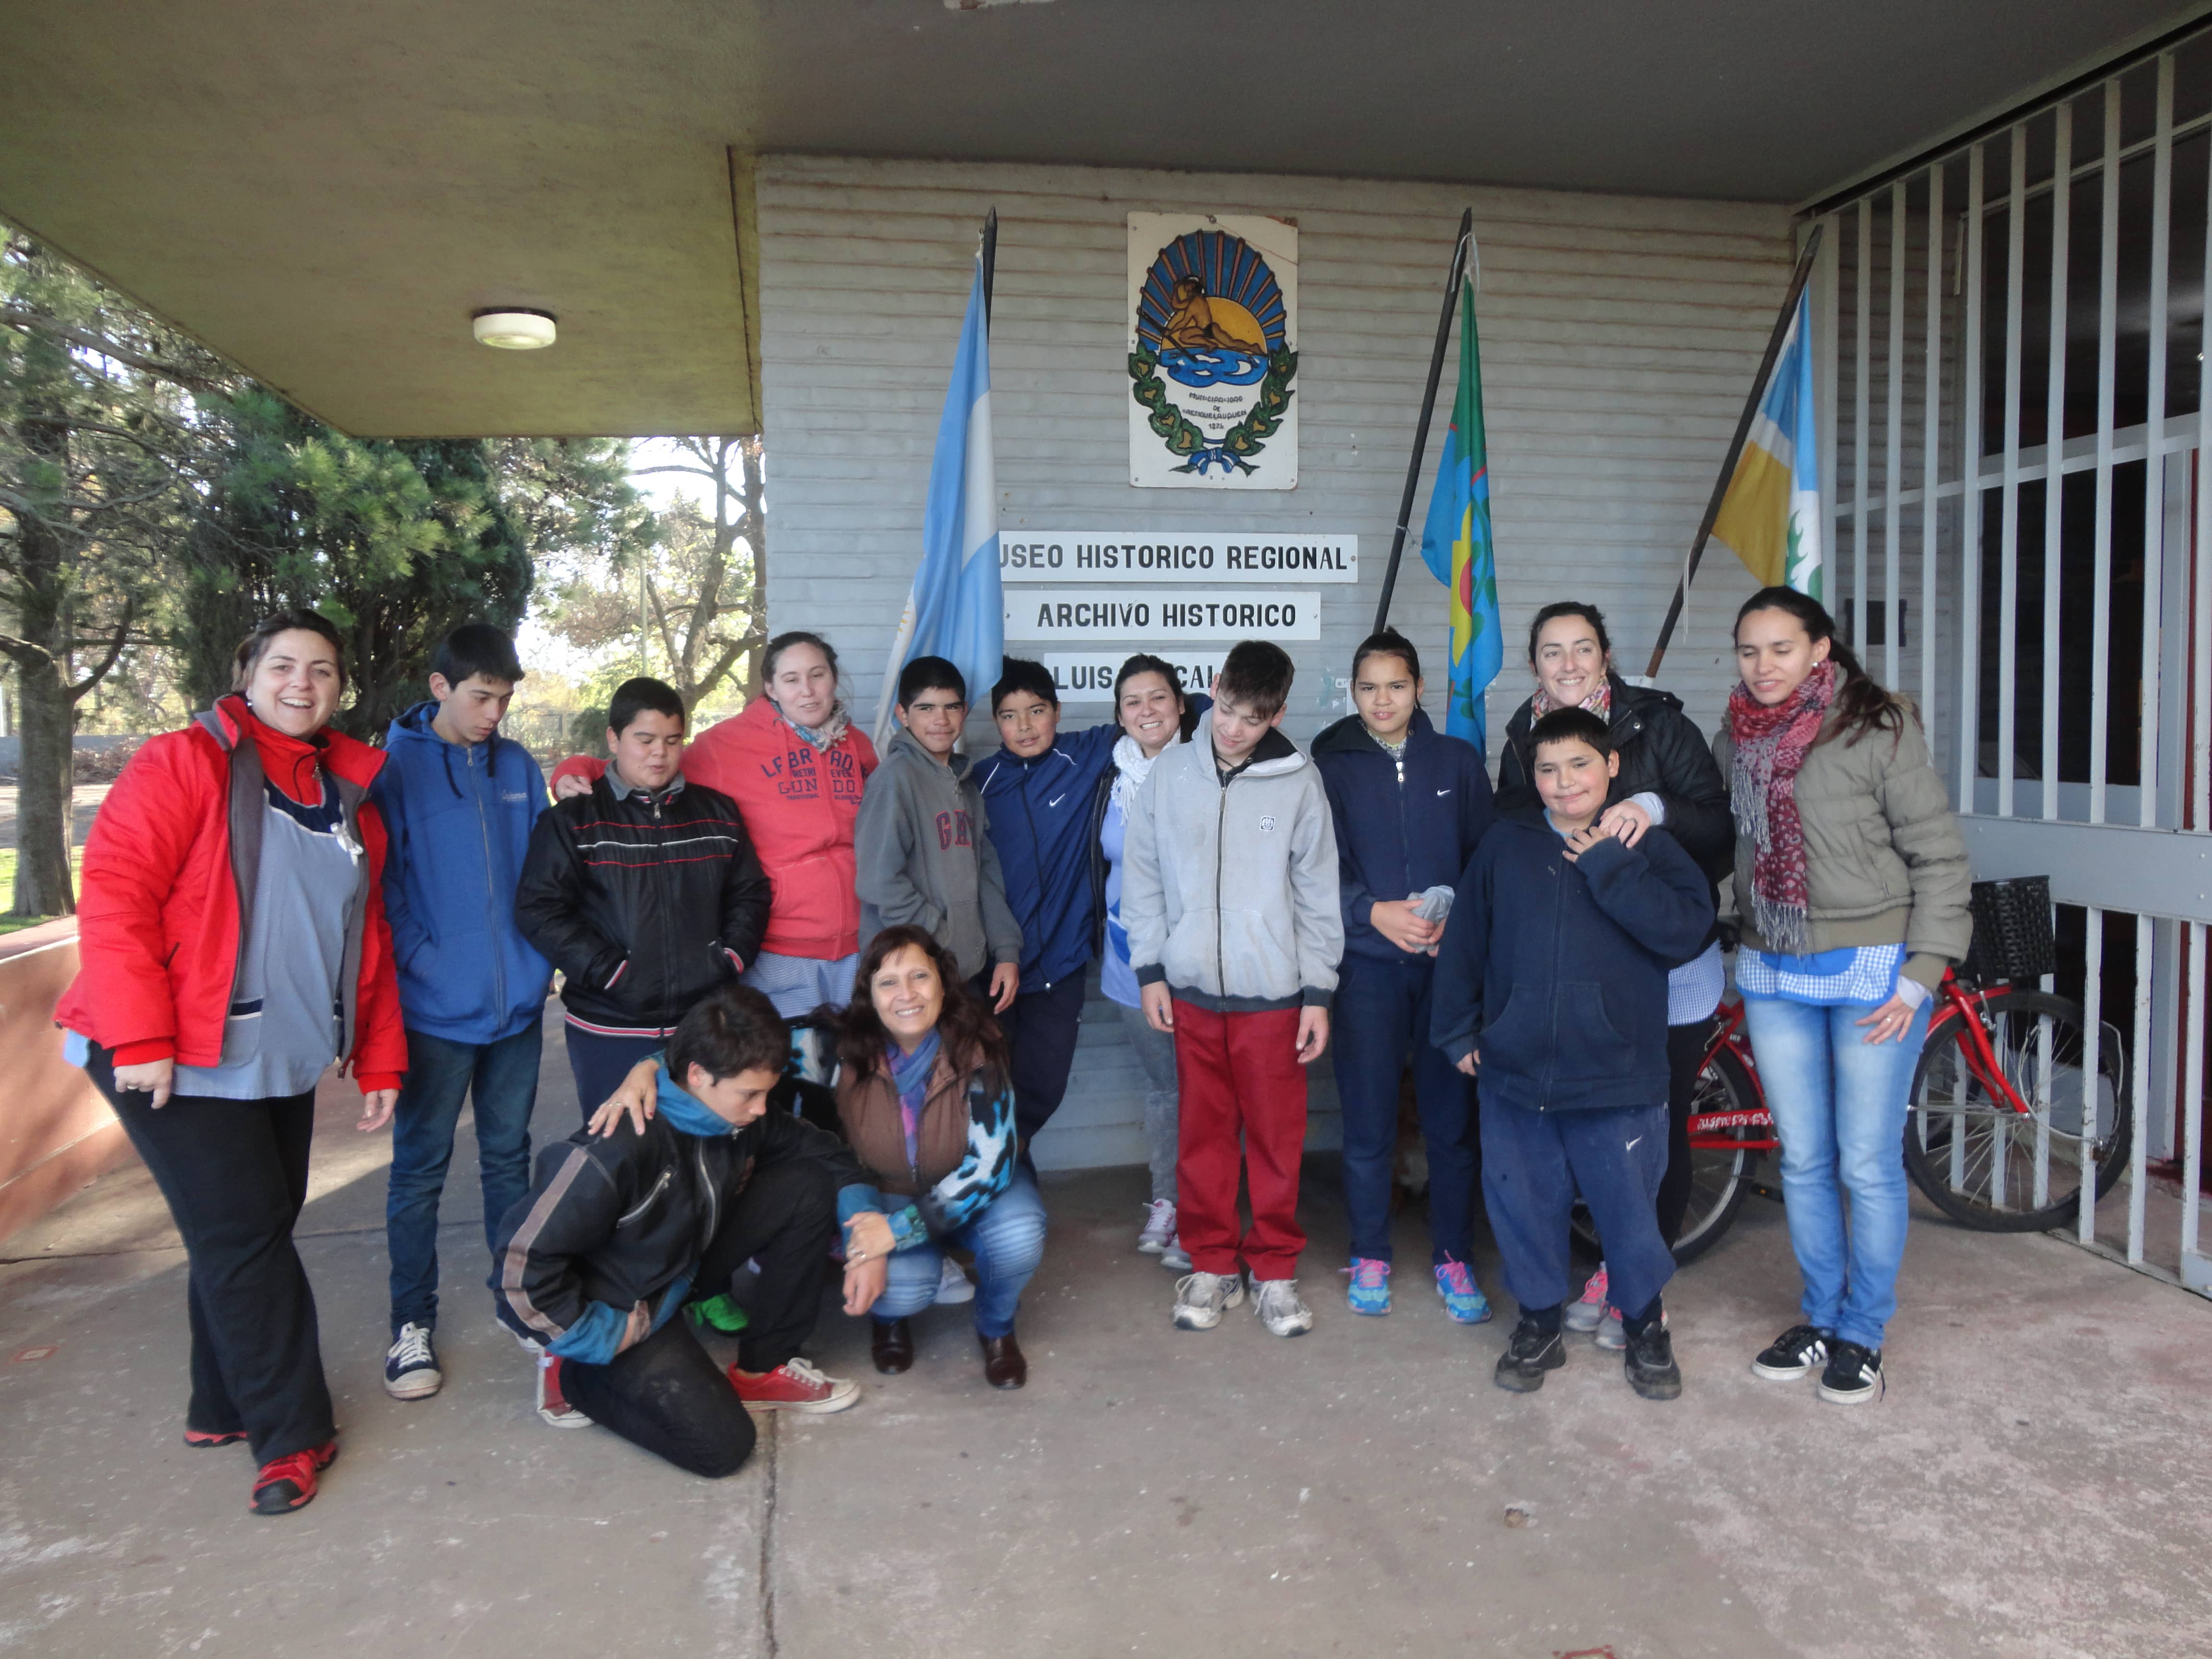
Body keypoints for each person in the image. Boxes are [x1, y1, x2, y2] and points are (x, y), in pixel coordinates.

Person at [54, 610, 407, 1515]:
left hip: (275, 1051)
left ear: (340, 688)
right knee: (247, 1235)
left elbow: (363, 934)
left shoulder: (346, 792)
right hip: (170, 1053)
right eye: (284, 664)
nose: (303, 682)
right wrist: (141, 1040)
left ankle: (219, 1402)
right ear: (246, 671)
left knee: (245, 1228)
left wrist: (378, 1056)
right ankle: (293, 1433)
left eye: (322, 669)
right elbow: (119, 898)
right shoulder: (181, 763)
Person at [1720, 588, 1970, 1407]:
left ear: (1819, 649)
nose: (1763, 666)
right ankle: (1819, 1316)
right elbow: (1728, 843)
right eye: (1749, 650)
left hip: (1871, 970)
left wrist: (1922, 971)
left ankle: (1863, 1331)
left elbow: (1936, 855)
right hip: (1772, 966)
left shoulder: (1876, 726)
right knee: (1802, 1157)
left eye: (1780, 648)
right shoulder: (1735, 734)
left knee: (1864, 1162)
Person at [1430, 708, 1714, 1400]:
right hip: (1515, 1069)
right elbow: (1465, 944)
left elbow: (1685, 930)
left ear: (1612, 765)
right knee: (1524, 1205)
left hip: (1618, 1071)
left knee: (1628, 1211)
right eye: (1548, 769)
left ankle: (1645, 1323)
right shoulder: (1505, 845)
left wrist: (1610, 864)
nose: (1564, 784)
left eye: (1580, 765)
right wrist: (1460, 1033)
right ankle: (1538, 1323)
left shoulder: (1643, 846)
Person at [491, 985, 878, 1475]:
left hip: (683, 1261)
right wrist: (596, 1335)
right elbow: (517, 1268)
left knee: (808, 1183)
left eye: (766, 1093)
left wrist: (868, 1224)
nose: (762, 1108)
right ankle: (575, 1375)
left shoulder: (737, 1114)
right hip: (624, 1306)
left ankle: (764, 1367)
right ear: (697, 1075)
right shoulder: (613, 1147)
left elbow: (827, 1154)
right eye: (751, 1094)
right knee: (721, 1449)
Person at [1496, 601, 1734, 1344]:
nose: (1567, 665)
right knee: (1591, 1125)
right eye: (1551, 651)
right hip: (1579, 966)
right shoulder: (1519, 736)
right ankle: (1605, 1268)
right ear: (1533, 663)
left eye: (1583, 649)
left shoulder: (1659, 725)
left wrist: (1655, 807)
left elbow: (1720, 833)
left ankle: (1636, 1287)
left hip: (1667, 961)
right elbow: (1513, 840)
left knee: (1655, 1128)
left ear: (1605, 655)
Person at [1122, 639, 1343, 1339]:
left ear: (1276, 713)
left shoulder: (1300, 782)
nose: (1232, 727)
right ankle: (1213, 1265)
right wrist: (1150, 969)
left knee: (1277, 1142)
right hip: (1189, 991)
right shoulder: (1170, 775)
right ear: (1211, 688)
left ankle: (1274, 1271)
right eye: (1225, 708)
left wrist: (1317, 992)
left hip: (1273, 999)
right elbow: (1144, 879)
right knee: (1203, 1138)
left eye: (1251, 717)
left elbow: (1317, 895)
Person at [371, 623, 553, 1403]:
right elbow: (385, 889)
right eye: (481, 696)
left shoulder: (516, 764)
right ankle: (410, 1323)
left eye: (505, 699)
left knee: (509, 1158)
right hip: (435, 1013)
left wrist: (537, 961)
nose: (494, 714)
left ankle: (517, 1303)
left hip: (516, 1008)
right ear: (440, 687)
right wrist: (429, 962)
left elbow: (544, 871)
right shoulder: (392, 770)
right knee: (419, 1170)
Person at [550, 633, 879, 1018]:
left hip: (859, 945)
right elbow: (649, 764)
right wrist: (575, 770)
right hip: (781, 953)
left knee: (854, 1070)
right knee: (788, 1073)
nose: (807, 690)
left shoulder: (858, 745)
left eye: (818, 675)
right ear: (771, 688)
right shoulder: (729, 744)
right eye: (791, 679)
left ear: (833, 679)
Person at [1311, 630, 1494, 1322]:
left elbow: (1485, 860)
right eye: (1368, 687)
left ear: (1420, 689)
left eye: (1396, 685)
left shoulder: (1458, 760)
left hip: (1447, 975)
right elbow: (1315, 869)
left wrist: (1460, 928)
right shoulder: (1329, 766)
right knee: (1368, 1124)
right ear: (1351, 692)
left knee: (1451, 1122)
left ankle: (1454, 1256)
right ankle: (1370, 1253)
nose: (1381, 700)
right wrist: (1370, 913)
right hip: (1368, 973)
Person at [514, 676, 771, 1118]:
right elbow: (538, 908)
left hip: (704, 1024)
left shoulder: (718, 813)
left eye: (673, 741)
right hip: (609, 1026)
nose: (660, 752)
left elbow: (749, 893)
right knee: (620, 1153)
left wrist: (728, 958)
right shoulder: (574, 820)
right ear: (614, 739)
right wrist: (611, 971)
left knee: (705, 1146)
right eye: (645, 739)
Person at [976, 656, 1200, 1158]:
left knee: (1042, 1089)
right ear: (995, 723)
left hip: (1063, 962)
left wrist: (1216, 704)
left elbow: (1164, 718)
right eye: (1010, 716)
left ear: (1058, 712)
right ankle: (998, 1186)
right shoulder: (979, 783)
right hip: (995, 967)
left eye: (1037, 711)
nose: (1025, 726)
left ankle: (1007, 1172)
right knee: (985, 1088)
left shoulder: (1091, 754)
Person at [827, 925, 1047, 1389]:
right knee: (906, 1289)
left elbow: (990, 1169)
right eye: (888, 982)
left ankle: (996, 1327)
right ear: (869, 993)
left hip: (975, 1193)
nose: (906, 994)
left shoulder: (978, 1048)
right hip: (888, 1194)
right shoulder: (842, 1053)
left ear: (942, 983)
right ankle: (889, 1320)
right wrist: (868, 1233)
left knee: (1020, 1232)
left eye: (919, 977)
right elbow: (830, 1153)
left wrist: (894, 1232)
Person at [1089, 655, 1202, 1266]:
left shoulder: (1209, 769)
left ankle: (1203, 1210)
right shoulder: (1110, 778)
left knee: (1205, 1087)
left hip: (1196, 961)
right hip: (1129, 958)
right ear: (1119, 715)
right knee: (1163, 1088)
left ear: (1182, 705)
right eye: (1133, 702)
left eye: (1158, 698)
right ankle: (1167, 1200)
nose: (1147, 711)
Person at [854, 655, 1022, 1010]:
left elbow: (986, 877)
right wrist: (941, 939)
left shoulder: (966, 786)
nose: (940, 720)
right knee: (921, 1066)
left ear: (964, 712)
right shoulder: (894, 780)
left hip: (962, 972)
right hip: (912, 978)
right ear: (903, 715)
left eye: (951, 707)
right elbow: (878, 882)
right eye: (926, 708)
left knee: (971, 1065)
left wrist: (1006, 948)